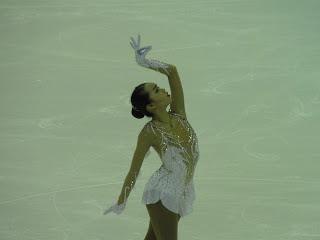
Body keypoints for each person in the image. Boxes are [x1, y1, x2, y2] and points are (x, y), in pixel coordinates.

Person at [104, 34, 200, 240]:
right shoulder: (149, 133)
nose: (163, 89)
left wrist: (145, 62)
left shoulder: (179, 114)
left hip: (180, 190)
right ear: (151, 105)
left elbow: (172, 72)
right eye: (156, 90)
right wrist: (122, 200)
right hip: (162, 193)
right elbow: (134, 170)